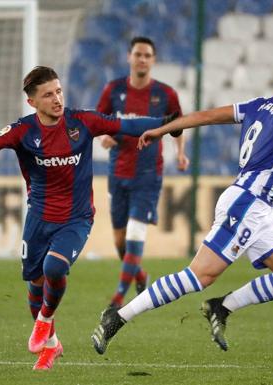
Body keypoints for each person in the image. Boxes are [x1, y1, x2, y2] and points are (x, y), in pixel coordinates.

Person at [91, 50, 273, 354]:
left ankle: (221, 307)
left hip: (258, 208)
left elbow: (208, 116)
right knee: (199, 276)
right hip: (246, 203)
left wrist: (163, 130)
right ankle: (118, 316)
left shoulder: (259, 105)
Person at [0, 66, 180, 370]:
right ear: (32, 102)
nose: (57, 99)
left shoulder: (82, 122)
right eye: (48, 94)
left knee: (54, 267)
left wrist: (166, 124)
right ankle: (51, 345)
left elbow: (125, 126)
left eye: (59, 91)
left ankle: (45, 321)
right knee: (35, 284)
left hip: (77, 218)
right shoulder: (23, 131)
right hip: (38, 219)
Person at [96, 36, 189, 310]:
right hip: (118, 171)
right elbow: (97, 123)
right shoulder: (113, 90)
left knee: (136, 234)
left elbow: (178, 124)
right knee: (120, 241)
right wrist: (105, 136)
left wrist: (180, 153)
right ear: (129, 57)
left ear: (154, 60)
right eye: (138, 54)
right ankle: (140, 274)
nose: (142, 59)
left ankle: (118, 298)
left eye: (148, 55)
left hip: (148, 174)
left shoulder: (165, 94)